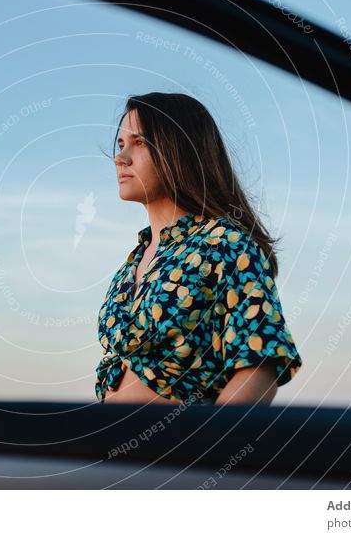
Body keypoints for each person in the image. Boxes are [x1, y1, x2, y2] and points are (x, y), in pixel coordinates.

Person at [95, 92, 303, 406]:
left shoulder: (224, 243)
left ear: (180, 151)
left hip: (173, 451)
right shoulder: (134, 261)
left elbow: (260, 363)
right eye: (122, 144)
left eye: (140, 143)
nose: (121, 158)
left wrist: (203, 449)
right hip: (107, 448)